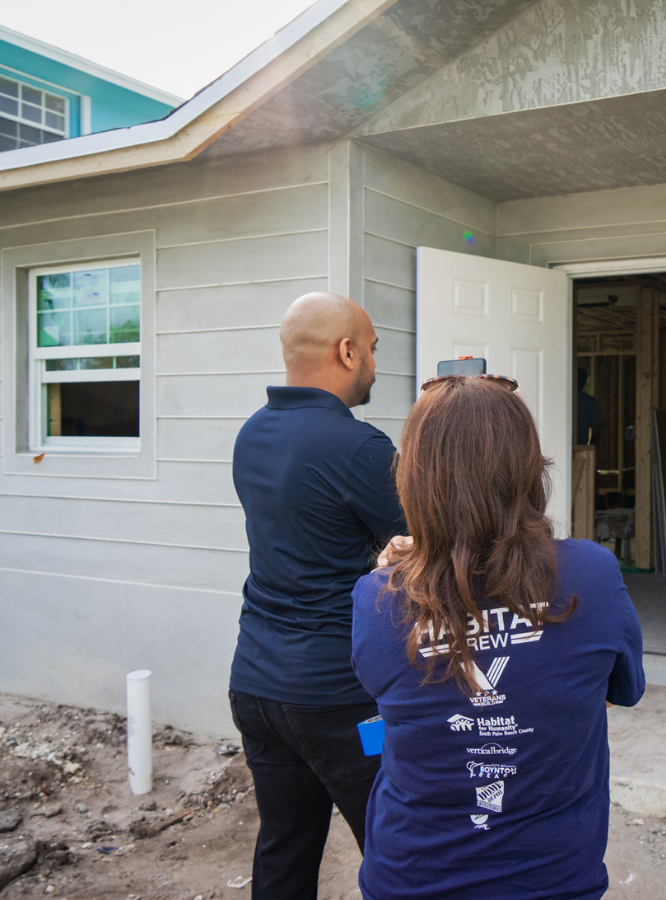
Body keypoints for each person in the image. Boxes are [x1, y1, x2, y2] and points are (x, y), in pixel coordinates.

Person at [352, 374, 644, 900]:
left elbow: (394, 704)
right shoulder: (593, 576)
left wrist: (392, 579)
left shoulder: (377, 599)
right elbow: (616, 691)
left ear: (414, 479)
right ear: (529, 468)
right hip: (553, 876)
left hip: (412, 877)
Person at [228, 292, 407, 899]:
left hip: (255, 687)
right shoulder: (360, 448)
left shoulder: (251, 434)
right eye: (374, 350)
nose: (376, 366)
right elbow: (423, 547)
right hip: (342, 702)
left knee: (285, 843)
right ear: (347, 350)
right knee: (397, 847)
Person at [576, 366, 605, 445]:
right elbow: (597, 431)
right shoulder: (589, 401)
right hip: (580, 450)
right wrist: (589, 451)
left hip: (557, 448)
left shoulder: (560, 399)